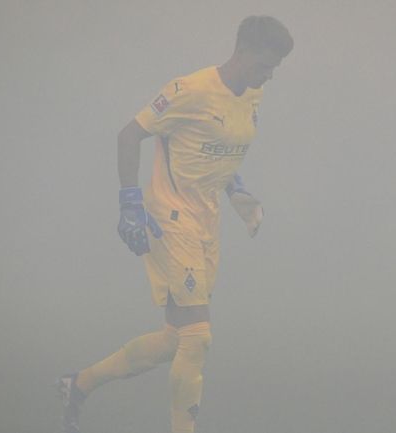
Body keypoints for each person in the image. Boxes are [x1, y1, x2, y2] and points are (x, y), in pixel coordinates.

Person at [57, 15, 293, 433]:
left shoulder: (252, 95)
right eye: (264, 65)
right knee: (199, 337)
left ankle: (78, 384)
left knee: (176, 339)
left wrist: (241, 197)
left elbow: (221, 151)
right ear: (241, 51)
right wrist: (129, 202)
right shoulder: (190, 90)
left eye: (274, 68)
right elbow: (128, 136)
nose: (269, 75)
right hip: (170, 219)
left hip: (206, 223)